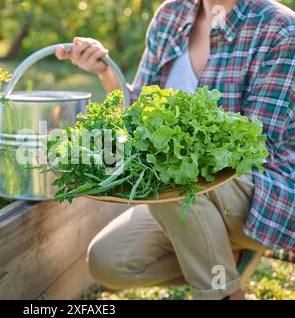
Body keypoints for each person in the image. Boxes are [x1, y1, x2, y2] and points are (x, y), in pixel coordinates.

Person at [55, 0, 294, 300]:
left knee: (170, 174)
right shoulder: (172, 14)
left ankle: (223, 293)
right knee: (108, 261)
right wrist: (107, 72)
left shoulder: (280, 28)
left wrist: (176, 149)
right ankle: (222, 255)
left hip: (262, 193)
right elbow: (137, 115)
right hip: (187, 195)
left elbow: (259, 147)